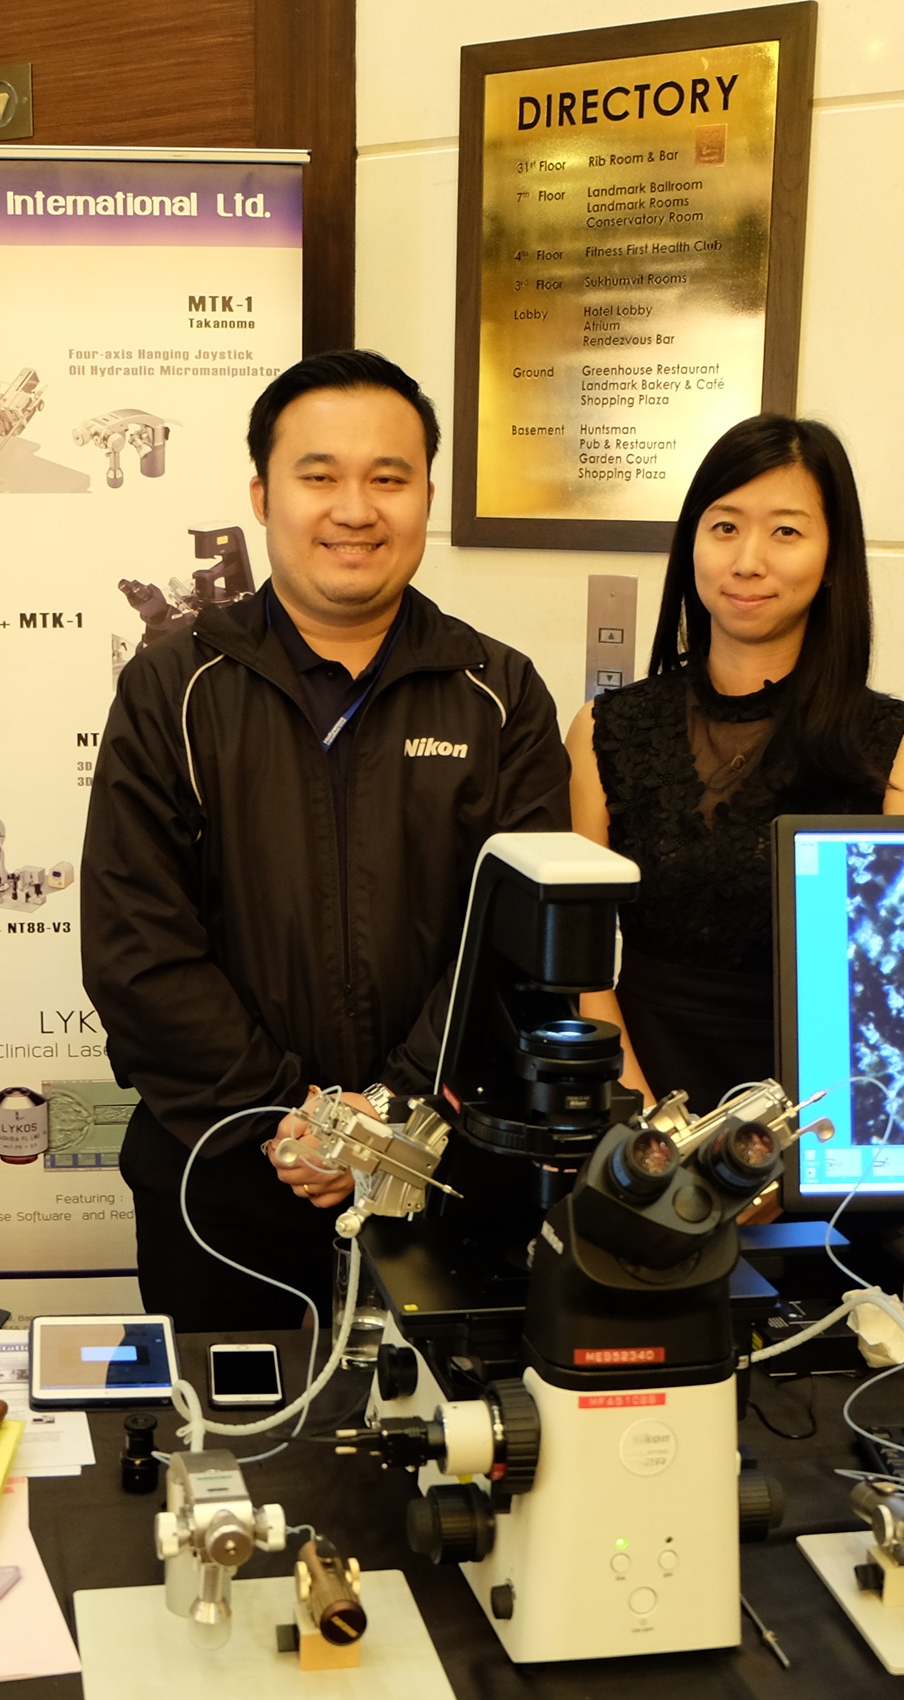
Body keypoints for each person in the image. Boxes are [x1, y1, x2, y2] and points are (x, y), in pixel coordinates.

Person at [83, 351, 570, 1332]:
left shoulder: (499, 694)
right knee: (230, 1418)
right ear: (263, 496)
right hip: (223, 1170)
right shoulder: (172, 688)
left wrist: (386, 1113)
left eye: (389, 478)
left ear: (426, 496)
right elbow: (136, 944)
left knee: (449, 1424)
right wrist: (286, 1117)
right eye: (320, 476)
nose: (355, 509)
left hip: (445, 1169)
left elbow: (521, 949)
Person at [569, 414, 904, 1121]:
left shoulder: (899, 744)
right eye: (724, 527)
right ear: (691, 542)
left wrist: (796, 1148)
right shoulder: (603, 730)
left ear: (833, 557)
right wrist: (650, 1126)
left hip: (825, 1123)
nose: (748, 560)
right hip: (636, 1109)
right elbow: (577, 967)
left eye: (786, 531)